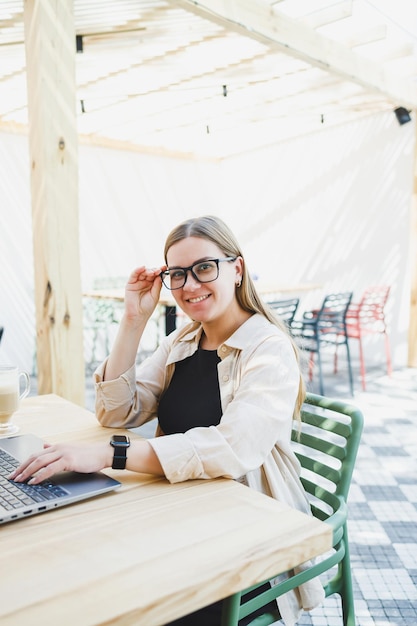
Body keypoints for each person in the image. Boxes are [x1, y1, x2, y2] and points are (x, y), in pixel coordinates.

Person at [10, 215, 324, 625]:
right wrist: (133, 321)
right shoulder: (185, 339)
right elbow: (118, 410)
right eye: (178, 274)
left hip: (246, 543)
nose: (190, 285)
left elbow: (231, 448)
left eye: (204, 268)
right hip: (182, 513)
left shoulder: (268, 349)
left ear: (237, 269)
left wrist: (110, 454)